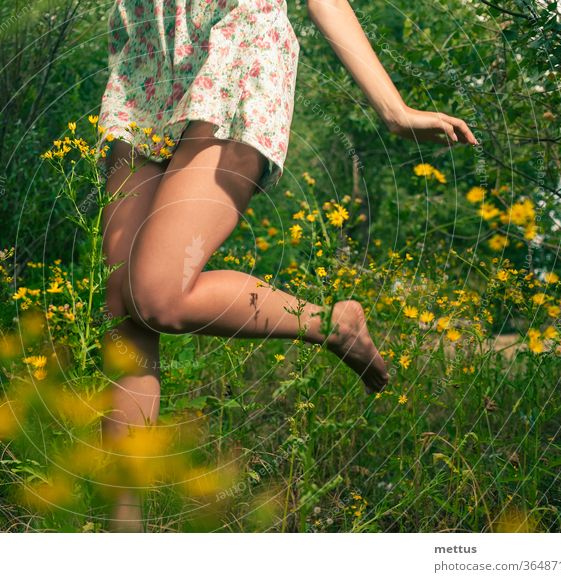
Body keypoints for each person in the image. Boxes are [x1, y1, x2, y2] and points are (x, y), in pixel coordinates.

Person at [95, 0, 478, 531]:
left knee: (156, 295)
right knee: (121, 309)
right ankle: (121, 535)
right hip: (145, 52)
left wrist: (392, 107)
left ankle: (329, 324)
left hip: (235, 42)